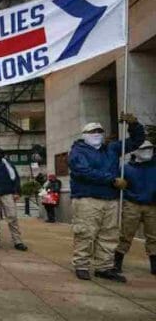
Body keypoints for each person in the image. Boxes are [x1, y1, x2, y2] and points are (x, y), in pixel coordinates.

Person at [69, 114, 144, 282]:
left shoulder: (111, 149)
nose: (97, 134)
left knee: (109, 234)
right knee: (85, 233)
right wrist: (111, 179)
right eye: (92, 131)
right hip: (87, 199)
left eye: (99, 131)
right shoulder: (77, 151)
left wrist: (134, 125)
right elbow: (83, 171)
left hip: (111, 199)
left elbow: (136, 141)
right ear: (84, 134)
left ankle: (104, 267)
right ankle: (81, 265)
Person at [115, 141, 156, 275]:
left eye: (150, 148)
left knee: (154, 236)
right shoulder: (125, 169)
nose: (148, 151)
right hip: (132, 204)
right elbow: (120, 186)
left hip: (152, 205)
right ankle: (117, 262)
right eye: (144, 149)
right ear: (135, 151)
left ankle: (154, 265)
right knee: (126, 234)